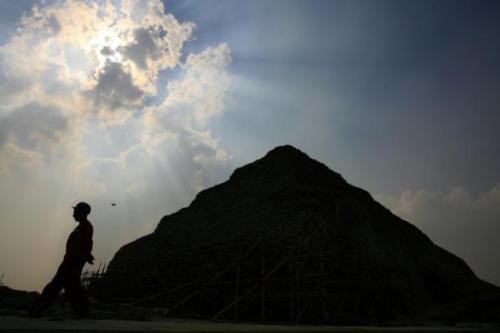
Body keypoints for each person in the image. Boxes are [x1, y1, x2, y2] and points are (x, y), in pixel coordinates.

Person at [29, 202, 94, 318]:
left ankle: (37, 309)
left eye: (75, 212)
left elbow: (85, 244)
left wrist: (84, 256)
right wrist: (86, 256)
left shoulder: (85, 227)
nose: (73, 214)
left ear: (81, 213)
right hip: (70, 262)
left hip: (72, 264)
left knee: (57, 287)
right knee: (69, 289)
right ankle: (83, 313)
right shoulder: (82, 227)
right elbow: (83, 245)